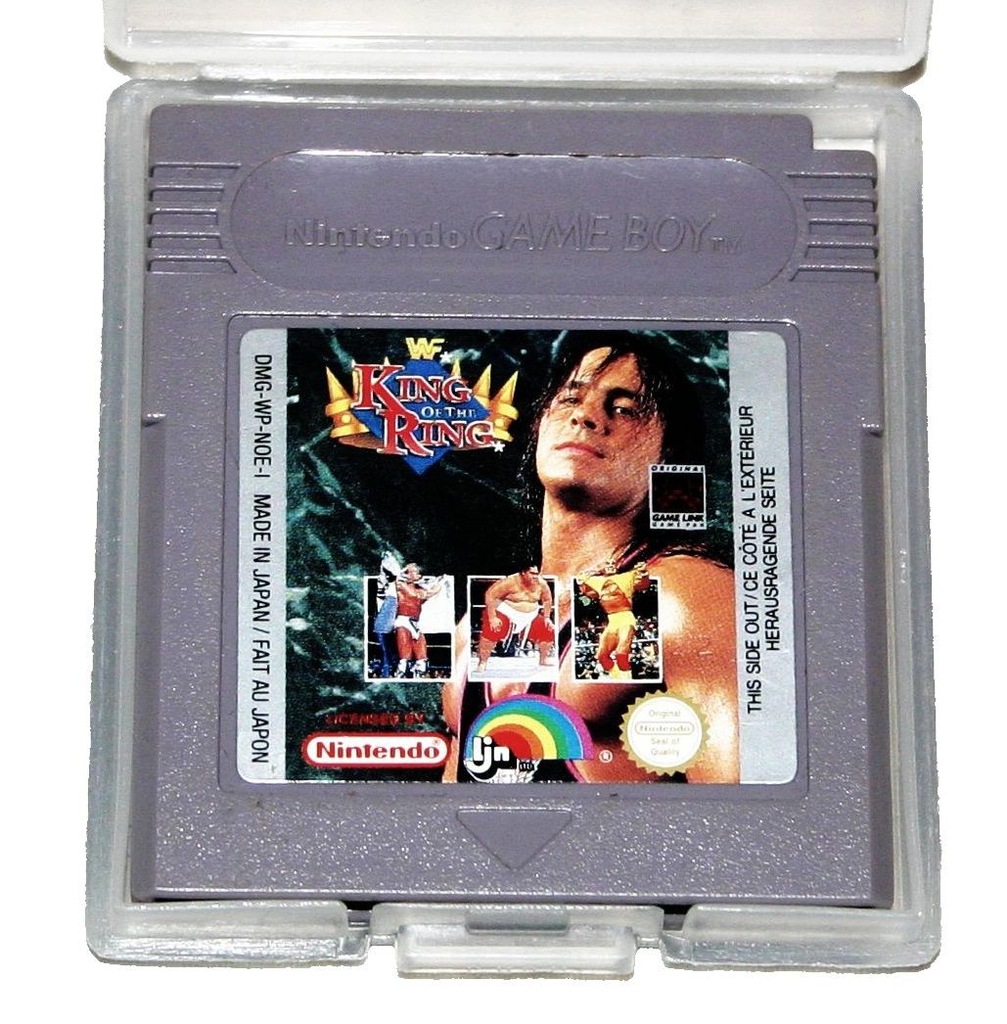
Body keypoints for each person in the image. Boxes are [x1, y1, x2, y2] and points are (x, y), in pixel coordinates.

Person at [444, 331, 739, 784]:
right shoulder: (484, 619)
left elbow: (742, 812)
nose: (585, 415)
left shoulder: (675, 595)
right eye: (570, 398)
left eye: (624, 408)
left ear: (668, 456)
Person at [576, 559, 651, 680]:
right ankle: (618, 678)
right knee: (602, 656)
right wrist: (581, 582)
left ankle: (626, 680)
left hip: (626, 618)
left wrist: (643, 573)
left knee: (621, 654)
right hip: (612, 621)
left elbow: (643, 584)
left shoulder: (626, 577)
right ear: (603, 567)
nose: (611, 566)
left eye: (613, 564)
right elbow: (588, 592)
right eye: (608, 563)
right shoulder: (597, 581)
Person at [474, 566, 555, 675]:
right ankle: (482, 662)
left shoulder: (541, 584)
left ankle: (543, 659)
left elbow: (547, 599)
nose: (535, 576)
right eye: (532, 573)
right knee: (491, 631)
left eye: (537, 574)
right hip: (507, 612)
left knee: (548, 629)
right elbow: (490, 595)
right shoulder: (509, 582)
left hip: (531, 615)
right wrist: (493, 617)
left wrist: (547, 617)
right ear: (523, 573)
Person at [394, 563, 443, 678]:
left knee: (422, 660)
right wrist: (405, 570)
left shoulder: (420, 589)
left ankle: (419, 675)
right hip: (403, 621)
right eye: (409, 572)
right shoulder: (400, 585)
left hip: (415, 623)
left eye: (414, 572)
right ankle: (401, 674)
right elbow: (414, 595)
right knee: (404, 659)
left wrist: (440, 582)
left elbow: (428, 594)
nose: (410, 574)